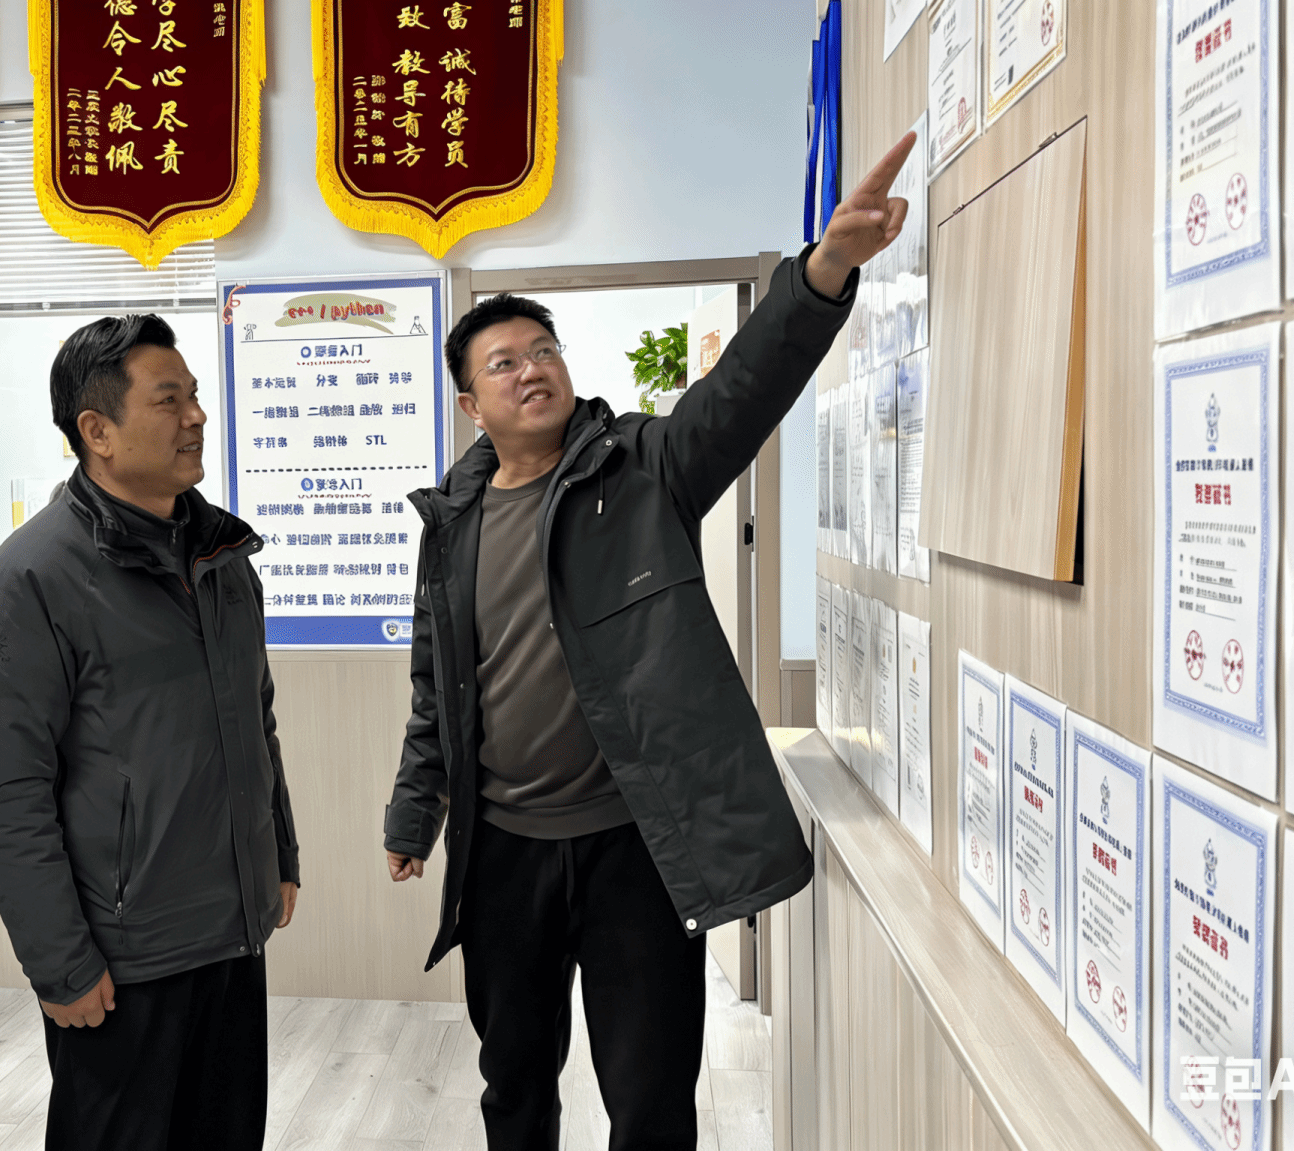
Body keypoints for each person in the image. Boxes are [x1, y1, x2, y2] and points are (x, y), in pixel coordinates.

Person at [382, 134, 918, 1150]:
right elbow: (436, 687)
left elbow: (739, 393)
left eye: (543, 350)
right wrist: (416, 812)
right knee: (513, 1083)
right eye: (504, 362)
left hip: (636, 845)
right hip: (502, 852)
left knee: (651, 1094)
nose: (532, 369)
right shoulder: (449, 526)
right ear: (469, 403)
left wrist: (821, 273)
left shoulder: (642, 471)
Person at [0, 314, 300, 1151]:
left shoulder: (221, 555)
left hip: (231, 932)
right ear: (98, 431)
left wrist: (278, 855)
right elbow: (5, 790)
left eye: (195, 397)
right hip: (121, 959)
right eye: (169, 400)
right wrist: (60, 962)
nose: (196, 417)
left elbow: (253, 719)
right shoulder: (31, 577)